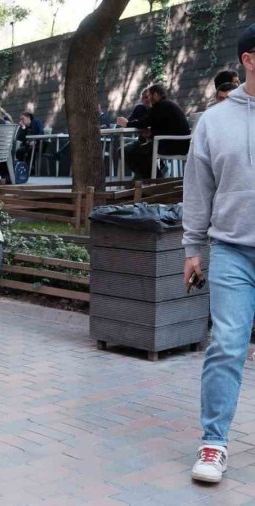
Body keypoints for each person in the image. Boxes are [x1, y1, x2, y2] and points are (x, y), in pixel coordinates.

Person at [184, 24, 255, 484]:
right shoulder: (214, 121)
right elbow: (198, 189)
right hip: (232, 250)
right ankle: (214, 443)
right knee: (228, 345)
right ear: (249, 59)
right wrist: (193, 247)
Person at [123, 84, 190, 179]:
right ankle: (152, 179)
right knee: (138, 150)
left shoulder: (160, 105)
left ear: (155, 95)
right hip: (180, 144)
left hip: (174, 145)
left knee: (137, 151)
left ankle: (156, 179)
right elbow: (163, 126)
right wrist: (151, 133)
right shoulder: (167, 105)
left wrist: (127, 123)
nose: (149, 99)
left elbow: (144, 123)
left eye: (149, 96)